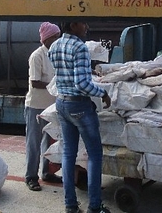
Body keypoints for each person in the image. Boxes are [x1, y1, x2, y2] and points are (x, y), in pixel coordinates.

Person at [48, 21, 112, 213]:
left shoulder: (54, 45)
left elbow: (61, 74)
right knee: (94, 154)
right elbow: (82, 84)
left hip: (62, 103)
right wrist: (103, 93)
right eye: (83, 23)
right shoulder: (79, 47)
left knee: (69, 154)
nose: (86, 27)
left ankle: (71, 205)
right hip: (79, 105)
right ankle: (94, 206)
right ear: (73, 24)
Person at [24, 22, 63, 191]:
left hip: (52, 106)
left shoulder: (56, 55)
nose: (57, 39)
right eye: (55, 37)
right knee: (34, 142)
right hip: (36, 106)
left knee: (50, 140)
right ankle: (31, 177)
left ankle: (47, 172)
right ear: (47, 39)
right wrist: (55, 85)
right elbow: (35, 82)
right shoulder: (37, 56)